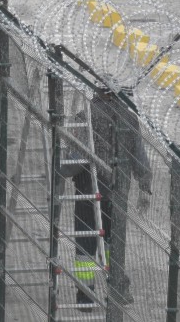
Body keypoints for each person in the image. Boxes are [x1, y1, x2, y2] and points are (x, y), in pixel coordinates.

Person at [64, 88, 152, 311]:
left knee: (85, 245)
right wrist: (144, 187)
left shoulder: (86, 116)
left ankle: (85, 298)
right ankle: (118, 290)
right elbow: (139, 156)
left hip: (87, 189)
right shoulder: (129, 119)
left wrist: (63, 169)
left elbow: (73, 157)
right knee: (115, 243)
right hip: (117, 191)